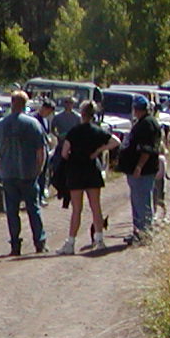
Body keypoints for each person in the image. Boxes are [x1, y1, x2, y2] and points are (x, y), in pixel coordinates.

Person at [0, 89, 48, 256]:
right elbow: (40, 150)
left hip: (8, 173)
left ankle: (15, 244)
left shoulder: (0, 124)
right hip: (28, 173)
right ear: (25, 104)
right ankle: (39, 242)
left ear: (12, 103)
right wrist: (39, 169)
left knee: (12, 210)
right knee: (33, 208)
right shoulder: (33, 124)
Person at [55, 99, 120, 254]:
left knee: (77, 209)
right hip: (91, 169)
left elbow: (64, 152)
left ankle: (70, 243)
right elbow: (115, 141)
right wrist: (98, 151)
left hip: (76, 170)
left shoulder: (74, 131)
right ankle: (99, 240)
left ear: (81, 114)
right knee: (95, 207)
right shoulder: (97, 131)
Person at [118, 95, 163, 243]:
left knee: (142, 201)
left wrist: (139, 166)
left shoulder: (147, 125)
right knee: (136, 201)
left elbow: (147, 149)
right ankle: (138, 232)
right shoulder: (144, 122)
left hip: (143, 170)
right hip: (138, 169)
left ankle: (145, 233)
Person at [34, 97, 58, 206]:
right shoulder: (35, 119)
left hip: (46, 150)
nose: (49, 114)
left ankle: (41, 196)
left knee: (44, 174)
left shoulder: (46, 120)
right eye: (49, 111)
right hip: (37, 151)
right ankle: (37, 197)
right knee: (38, 175)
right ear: (44, 108)